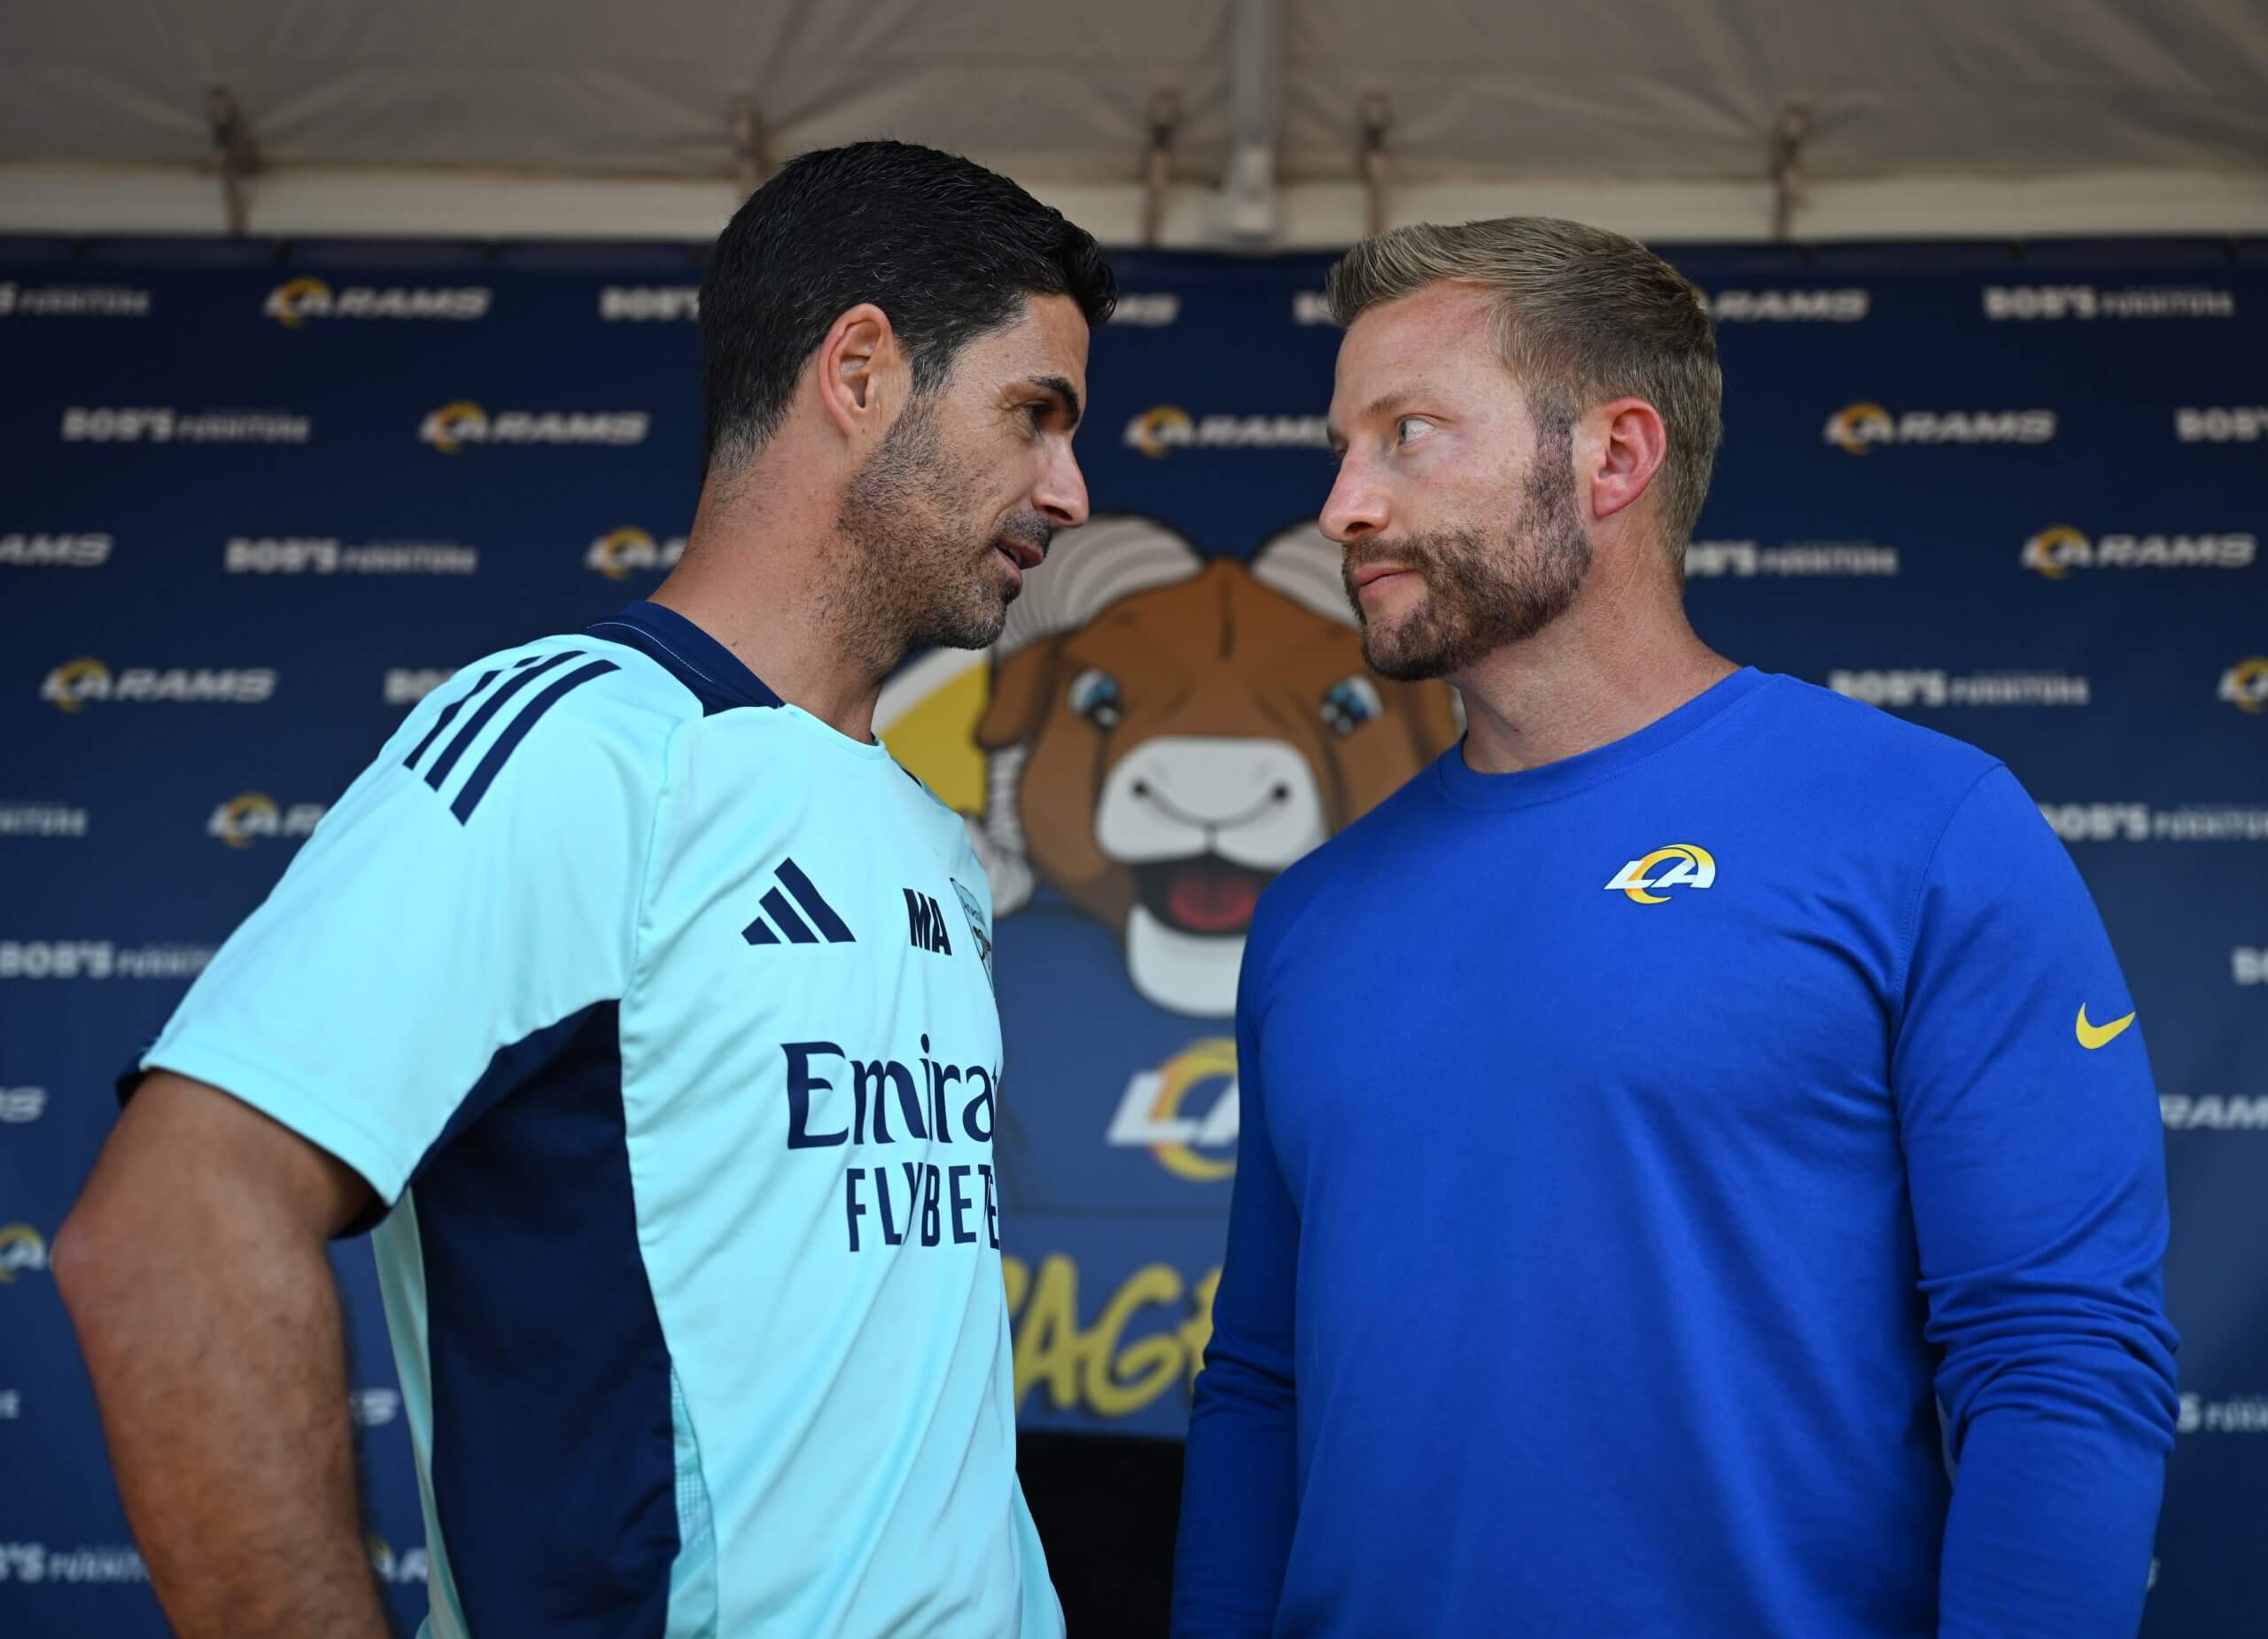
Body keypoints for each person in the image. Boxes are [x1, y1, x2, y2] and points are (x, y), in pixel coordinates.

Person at [55, 139, 1114, 1639]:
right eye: (1036, 414)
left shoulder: (931, 832)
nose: (1071, 490)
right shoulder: (586, 744)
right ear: (861, 369)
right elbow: (168, 1228)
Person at [1172, 217, 2176, 1639]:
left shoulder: (1925, 831)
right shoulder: (1314, 915)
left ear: (1615, 458)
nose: (1343, 504)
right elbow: (1260, 1386)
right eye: (1343, 446)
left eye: (1408, 435)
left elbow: (2059, 1362)